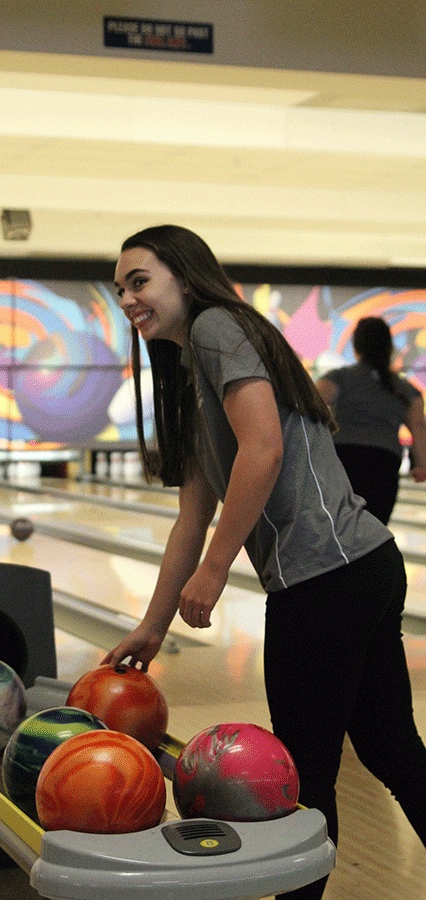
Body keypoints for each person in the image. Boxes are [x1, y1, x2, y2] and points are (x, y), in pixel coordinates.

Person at [103, 224, 426, 900]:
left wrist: (218, 568)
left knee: (303, 774)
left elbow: (264, 449)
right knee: (392, 750)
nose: (128, 298)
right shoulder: (190, 369)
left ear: (185, 278)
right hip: (358, 564)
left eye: (140, 281)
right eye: (120, 289)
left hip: (327, 577)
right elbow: (191, 517)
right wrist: (152, 627)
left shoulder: (219, 326)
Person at [316, 316, 426, 525]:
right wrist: (421, 464)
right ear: (389, 349)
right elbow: (418, 428)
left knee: (338, 531)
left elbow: (310, 408)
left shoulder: (338, 377)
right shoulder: (407, 390)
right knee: (372, 536)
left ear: (356, 346)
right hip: (384, 466)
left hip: (343, 461)